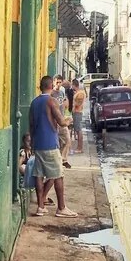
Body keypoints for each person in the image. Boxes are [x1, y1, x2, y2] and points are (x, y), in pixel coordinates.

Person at [28, 75, 77, 218]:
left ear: (40, 86)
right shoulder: (51, 101)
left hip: (37, 144)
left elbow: (31, 125)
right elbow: (61, 122)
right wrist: (68, 120)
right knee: (58, 174)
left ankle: (40, 207)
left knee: (38, 174)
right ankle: (61, 208)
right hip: (50, 143)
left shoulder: (34, 102)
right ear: (51, 86)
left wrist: (32, 143)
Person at [51, 75, 72, 168]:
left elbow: (65, 104)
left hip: (62, 120)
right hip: (54, 121)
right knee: (57, 142)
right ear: (53, 82)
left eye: (60, 82)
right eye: (57, 82)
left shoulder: (61, 93)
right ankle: (59, 160)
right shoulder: (51, 93)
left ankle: (63, 159)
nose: (58, 84)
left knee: (67, 140)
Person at [71, 78, 86, 153]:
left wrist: (73, 105)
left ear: (74, 85)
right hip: (76, 112)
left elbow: (78, 103)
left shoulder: (80, 93)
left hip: (78, 112)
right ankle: (79, 147)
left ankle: (79, 148)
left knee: (78, 130)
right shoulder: (78, 92)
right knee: (77, 130)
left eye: (72, 85)